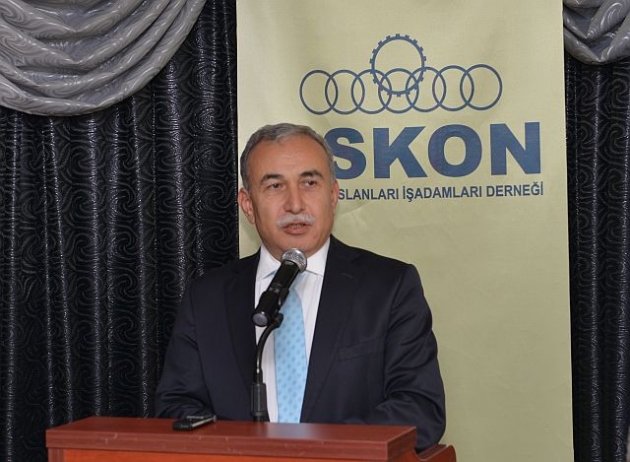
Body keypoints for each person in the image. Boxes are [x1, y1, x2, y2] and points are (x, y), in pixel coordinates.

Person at [155, 122, 446, 451]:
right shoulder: (207, 297)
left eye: (309, 183)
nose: (295, 204)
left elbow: (419, 409)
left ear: (333, 195)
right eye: (275, 186)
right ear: (248, 205)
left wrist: (314, 452)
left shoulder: (389, 287)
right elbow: (175, 408)